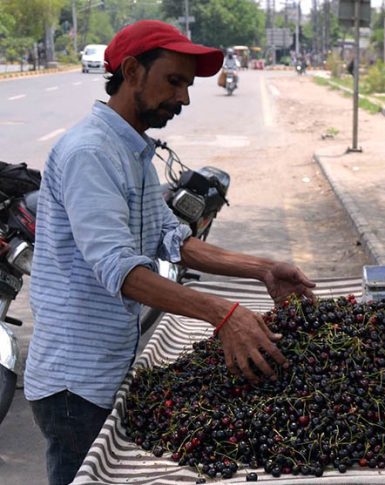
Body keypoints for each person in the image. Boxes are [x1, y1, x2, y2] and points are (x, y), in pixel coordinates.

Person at [24, 20, 316, 485]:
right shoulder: (91, 153)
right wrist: (223, 314)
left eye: (187, 85)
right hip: (74, 385)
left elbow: (174, 240)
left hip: (106, 366)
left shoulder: (130, 149)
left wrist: (262, 269)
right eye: (175, 82)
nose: (183, 99)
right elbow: (119, 270)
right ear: (134, 71)